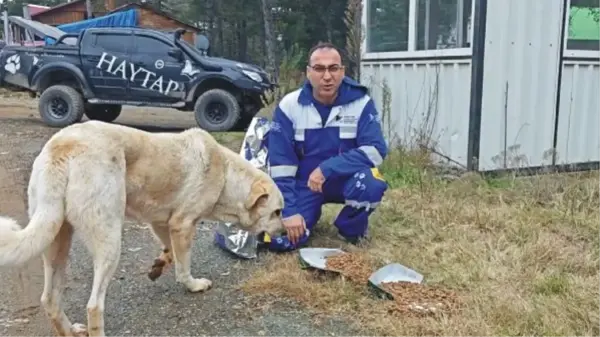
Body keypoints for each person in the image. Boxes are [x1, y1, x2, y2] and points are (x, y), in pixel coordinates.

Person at [263, 42, 389, 252]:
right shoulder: (289, 106)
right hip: (305, 185)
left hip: (345, 180)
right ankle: (307, 215)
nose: (327, 76)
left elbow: (376, 150)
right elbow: (281, 165)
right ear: (308, 72)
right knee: (281, 242)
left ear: (342, 71)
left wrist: (327, 169)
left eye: (333, 68)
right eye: (319, 69)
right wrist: (290, 211)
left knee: (372, 183)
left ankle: (350, 228)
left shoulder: (361, 102)